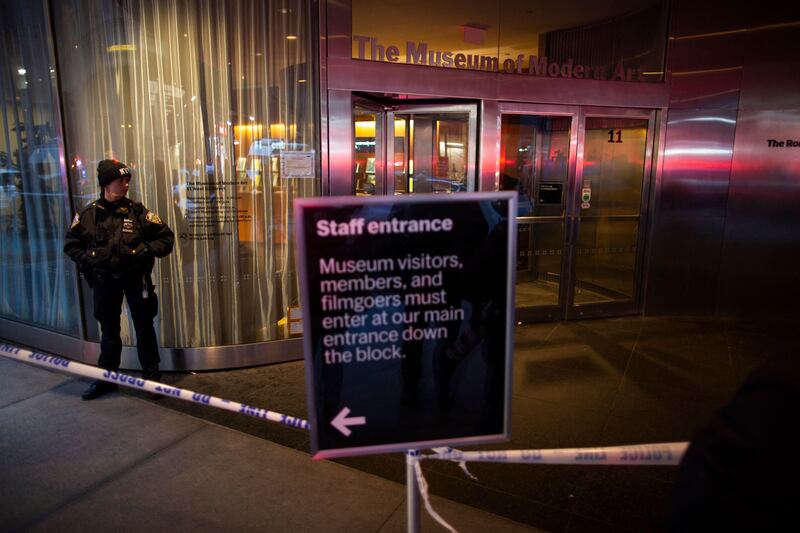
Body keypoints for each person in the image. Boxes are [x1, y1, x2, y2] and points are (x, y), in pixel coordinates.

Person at [64, 159, 174, 400]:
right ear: (105, 183)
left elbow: (166, 239)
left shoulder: (137, 212)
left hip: (136, 280)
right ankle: (107, 380)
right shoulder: (88, 214)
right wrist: (89, 259)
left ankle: (152, 380)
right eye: (120, 180)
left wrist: (146, 249)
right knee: (109, 331)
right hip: (105, 282)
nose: (125, 184)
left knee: (144, 328)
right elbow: (71, 245)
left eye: (127, 180)